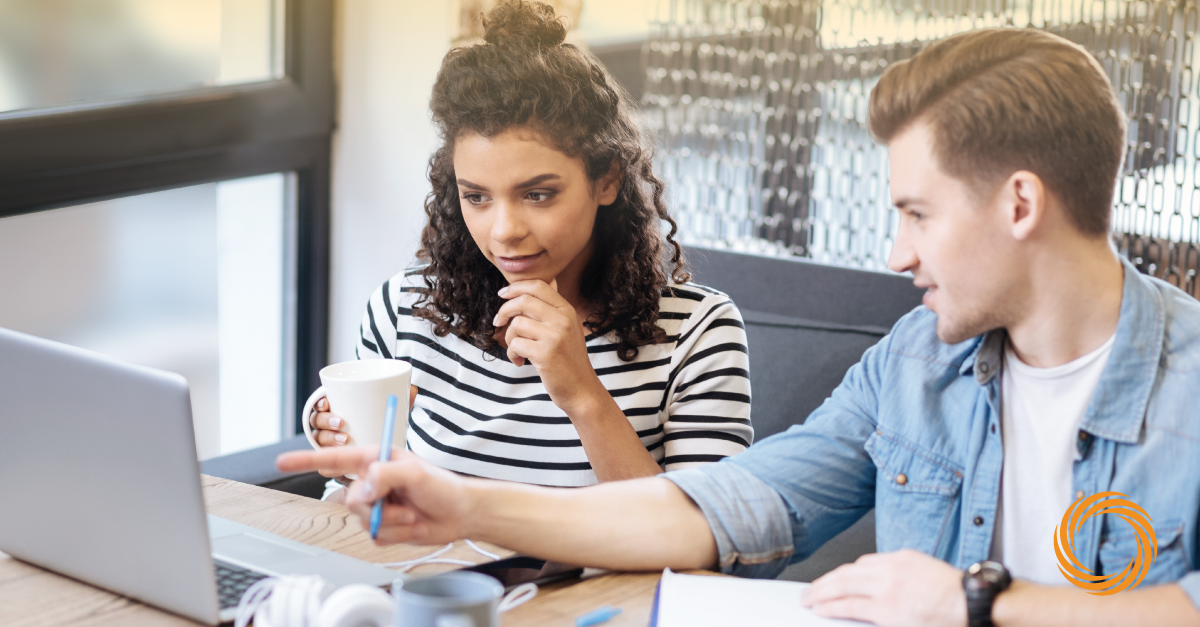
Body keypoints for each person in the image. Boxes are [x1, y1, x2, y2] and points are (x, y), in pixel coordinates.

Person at [281, 27, 1200, 626]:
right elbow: (720, 507)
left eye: (917, 214)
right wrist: (462, 505)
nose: (895, 254)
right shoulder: (915, 364)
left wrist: (979, 602)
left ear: (1020, 203)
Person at [308, 0, 753, 501]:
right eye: (477, 197)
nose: (504, 232)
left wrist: (582, 394)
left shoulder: (696, 333)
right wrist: (340, 452)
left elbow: (703, 532)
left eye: (537, 194)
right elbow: (363, 497)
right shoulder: (406, 309)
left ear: (606, 181)